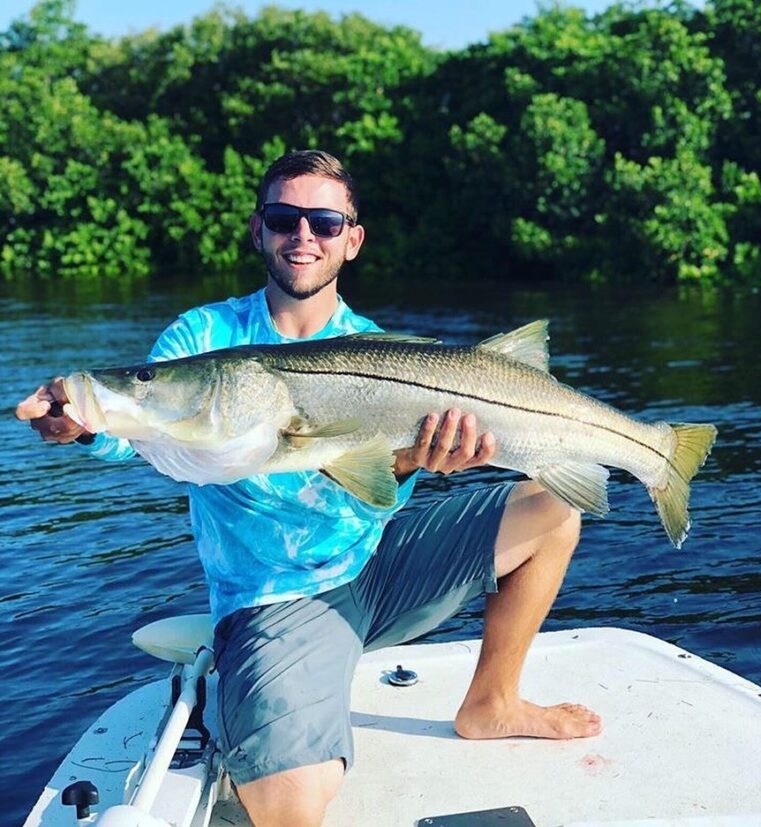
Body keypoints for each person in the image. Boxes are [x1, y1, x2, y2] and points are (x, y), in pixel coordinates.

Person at [16, 150, 601, 827]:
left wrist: (417, 461)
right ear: (257, 230)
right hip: (276, 598)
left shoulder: (373, 345)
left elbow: (379, 493)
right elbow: (141, 426)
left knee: (556, 504)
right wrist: (81, 423)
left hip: (376, 564)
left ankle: (492, 702)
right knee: (293, 801)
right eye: (284, 217)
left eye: (325, 221)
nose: (304, 236)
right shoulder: (204, 337)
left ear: (351, 239)